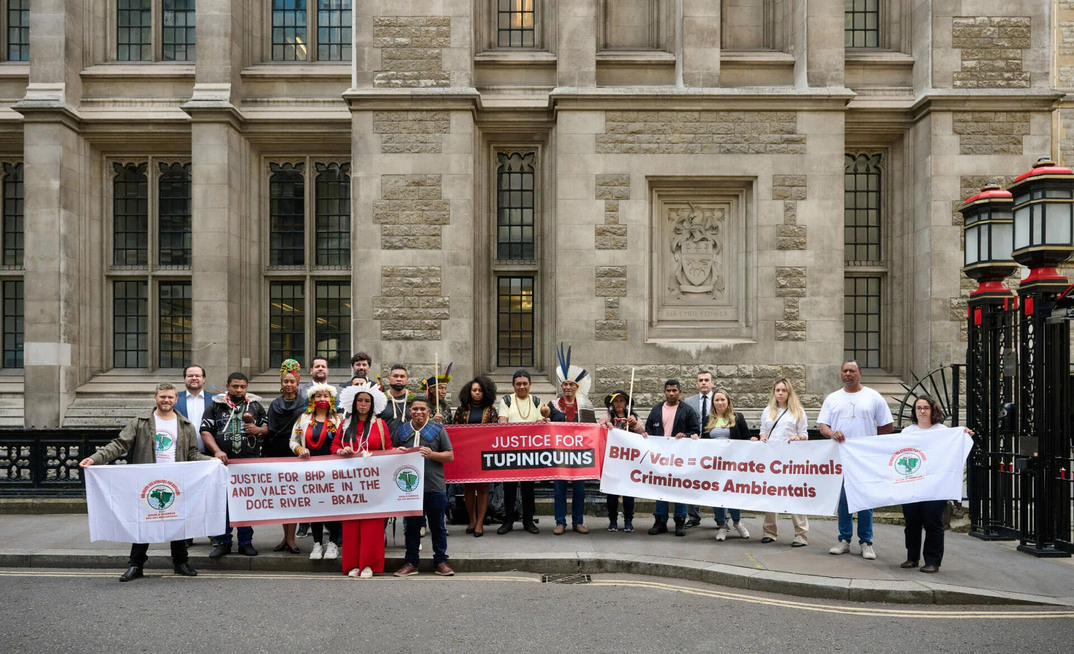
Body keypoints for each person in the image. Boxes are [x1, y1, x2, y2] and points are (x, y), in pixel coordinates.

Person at [79, 383, 213, 581]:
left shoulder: (185, 425)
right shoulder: (140, 422)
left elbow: (192, 453)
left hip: (175, 479)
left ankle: (181, 562)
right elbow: (119, 444)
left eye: (170, 397)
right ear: (155, 398)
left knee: (177, 521)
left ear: (176, 400)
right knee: (143, 522)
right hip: (147, 481)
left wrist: (212, 460)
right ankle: (136, 565)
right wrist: (96, 458)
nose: (166, 400)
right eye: (162, 397)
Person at [818, 360, 894, 560]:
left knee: (865, 500)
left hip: (865, 458)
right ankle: (844, 539)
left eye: (852, 371)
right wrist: (833, 433)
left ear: (860, 373)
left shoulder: (873, 397)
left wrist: (870, 442)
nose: (848, 374)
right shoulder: (833, 398)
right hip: (841, 457)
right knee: (843, 500)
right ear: (841, 373)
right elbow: (823, 426)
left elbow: (887, 426)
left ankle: (866, 542)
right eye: (845, 371)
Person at [900, 394, 971, 573]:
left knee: (933, 523)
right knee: (912, 523)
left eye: (926, 408)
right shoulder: (907, 432)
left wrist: (965, 435)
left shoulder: (942, 431)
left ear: (932, 410)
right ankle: (912, 557)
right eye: (919, 408)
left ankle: (932, 561)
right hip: (912, 485)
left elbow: (956, 446)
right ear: (914, 412)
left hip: (935, 486)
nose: (922, 411)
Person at [201, 372, 268, 559]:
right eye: (235, 386)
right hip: (224, 464)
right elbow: (205, 431)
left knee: (246, 502)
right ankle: (223, 541)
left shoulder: (254, 406)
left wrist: (258, 430)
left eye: (242, 387)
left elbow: (268, 428)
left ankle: (246, 542)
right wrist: (216, 451)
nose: (239, 390)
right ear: (228, 386)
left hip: (248, 463)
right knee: (223, 502)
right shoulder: (216, 406)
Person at [392, 396, 455, 576]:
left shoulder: (438, 429)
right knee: (412, 527)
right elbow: (391, 452)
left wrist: (432, 454)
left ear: (429, 411)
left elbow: (450, 456)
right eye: (415, 409)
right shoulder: (402, 431)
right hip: (409, 487)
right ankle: (411, 563)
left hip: (434, 486)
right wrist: (397, 452)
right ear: (409, 411)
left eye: (422, 409)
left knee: (438, 527)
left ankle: (441, 562)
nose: (418, 412)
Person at [335, 382, 393, 577]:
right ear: (353, 403)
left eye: (367, 401)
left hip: (374, 480)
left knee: (373, 524)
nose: (363, 404)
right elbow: (334, 446)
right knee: (351, 523)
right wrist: (340, 450)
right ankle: (352, 564)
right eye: (360, 400)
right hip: (350, 481)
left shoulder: (380, 424)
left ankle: (369, 565)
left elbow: (388, 449)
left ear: (372, 404)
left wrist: (401, 452)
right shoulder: (344, 424)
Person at [290, 383, 344, 561]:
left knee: (334, 507)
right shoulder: (303, 419)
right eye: (318, 396)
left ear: (331, 399)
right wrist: (300, 450)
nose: (322, 399)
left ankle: (333, 544)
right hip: (311, 470)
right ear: (312, 399)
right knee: (316, 506)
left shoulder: (339, 420)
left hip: (334, 471)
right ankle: (317, 543)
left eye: (325, 396)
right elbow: (294, 441)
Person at [755, 378, 809, 547]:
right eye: (777, 390)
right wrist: (763, 438)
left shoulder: (797, 411)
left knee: (794, 495)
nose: (780, 393)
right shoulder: (767, 411)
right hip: (771, 459)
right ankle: (769, 532)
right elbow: (763, 432)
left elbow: (804, 434)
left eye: (783, 390)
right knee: (771, 493)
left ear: (789, 393)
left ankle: (801, 534)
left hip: (791, 459)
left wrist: (797, 437)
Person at [496, 369, 549, 535]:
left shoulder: (536, 401)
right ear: (513, 385)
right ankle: (508, 521)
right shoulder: (506, 401)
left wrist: (545, 422)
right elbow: (502, 423)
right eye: (518, 384)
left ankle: (528, 520)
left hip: (531, 453)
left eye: (525, 383)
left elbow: (541, 425)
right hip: (511, 451)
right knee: (509, 487)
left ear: (530, 384)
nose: (522, 387)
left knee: (528, 488)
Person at [548, 345, 594, 535]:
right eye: (565, 384)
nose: (568, 387)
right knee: (559, 490)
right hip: (559, 454)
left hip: (580, 454)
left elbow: (591, 429)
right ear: (561, 386)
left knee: (579, 490)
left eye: (571, 385)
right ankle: (560, 522)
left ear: (577, 387)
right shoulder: (552, 405)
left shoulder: (585, 404)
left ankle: (578, 521)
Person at [644, 379, 699, 536]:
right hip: (660, 457)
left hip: (679, 457)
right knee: (661, 488)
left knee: (678, 489)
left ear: (679, 392)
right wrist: (647, 435)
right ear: (664, 392)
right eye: (668, 390)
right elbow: (649, 428)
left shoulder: (687, 410)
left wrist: (686, 435)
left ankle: (680, 522)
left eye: (674, 390)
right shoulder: (656, 410)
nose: (671, 393)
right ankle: (660, 521)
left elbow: (695, 431)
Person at [265, 359, 305, 554]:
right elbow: (271, 429)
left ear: (298, 384)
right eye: (285, 381)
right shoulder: (274, 404)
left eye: (292, 381)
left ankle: (292, 538)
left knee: (295, 496)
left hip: (297, 450)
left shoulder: (305, 404)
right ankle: (284, 537)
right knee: (283, 496)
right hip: (278, 450)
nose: (288, 384)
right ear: (281, 383)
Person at [452, 376, 499, 537]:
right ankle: (471, 519)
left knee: (484, 487)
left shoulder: (491, 410)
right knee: (468, 487)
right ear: (469, 391)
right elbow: (455, 431)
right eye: (474, 390)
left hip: (484, 455)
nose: (477, 393)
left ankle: (480, 522)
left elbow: (494, 432)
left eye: (480, 390)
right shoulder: (462, 410)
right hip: (466, 454)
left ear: (485, 392)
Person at [703, 390, 751, 542]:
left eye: (722, 399)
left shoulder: (738, 418)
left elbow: (746, 437)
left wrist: (753, 439)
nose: (720, 403)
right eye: (716, 400)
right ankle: (722, 526)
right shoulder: (707, 419)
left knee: (733, 493)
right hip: (715, 466)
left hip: (733, 464)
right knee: (717, 495)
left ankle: (737, 523)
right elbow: (703, 441)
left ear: (728, 401)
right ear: (713, 403)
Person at [599, 390, 644, 532]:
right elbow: (598, 430)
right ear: (612, 403)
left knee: (628, 492)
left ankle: (628, 520)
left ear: (626, 403)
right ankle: (612, 520)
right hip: (611, 460)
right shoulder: (607, 416)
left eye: (621, 401)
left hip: (629, 461)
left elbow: (643, 432)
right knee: (612, 492)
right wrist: (606, 427)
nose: (619, 404)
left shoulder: (633, 416)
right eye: (616, 401)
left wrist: (635, 424)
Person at [683, 370, 716, 528]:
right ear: (696, 384)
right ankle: (694, 516)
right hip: (694, 446)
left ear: (712, 383)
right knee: (692, 482)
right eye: (701, 380)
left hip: (715, 446)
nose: (703, 383)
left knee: (717, 482)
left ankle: (721, 520)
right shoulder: (688, 402)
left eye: (707, 380)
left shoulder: (720, 400)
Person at [175, 364, 215, 455]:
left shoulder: (215, 400)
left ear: (203, 379)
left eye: (197, 375)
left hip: (210, 453)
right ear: (184, 378)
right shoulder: (174, 400)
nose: (194, 378)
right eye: (190, 376)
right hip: (182, 453)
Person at [379, 364, 415, 428]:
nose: (399, 379)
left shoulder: (414, 401)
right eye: (395, 376)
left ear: (406, 379)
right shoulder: (380, 399)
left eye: (402, 376)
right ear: (389, 379)